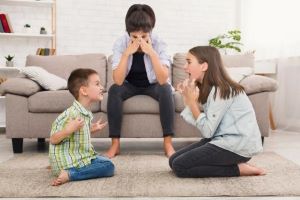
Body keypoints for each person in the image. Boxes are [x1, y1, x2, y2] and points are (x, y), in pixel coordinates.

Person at [169, 46, 266, 178]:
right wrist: (188, 99)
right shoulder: (211, 89)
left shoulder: (221, 90)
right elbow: (207, 127)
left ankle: (238, 169)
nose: (185, 67)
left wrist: (192, 103)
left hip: (237, 146)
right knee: (173, 160)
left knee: (180, 166)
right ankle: (229, 165)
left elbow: (207, 131)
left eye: (189, 62)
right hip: (221, 139)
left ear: (204, 66)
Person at [105, 4, 175, 158]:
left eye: (144, 37)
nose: (139, 41)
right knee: (114, 90)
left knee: (166, 89)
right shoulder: (120, 43)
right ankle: (115, 145)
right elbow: (117, 80)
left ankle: (168, 144)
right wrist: (126, 54)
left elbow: (163, 79)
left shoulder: (159, 43)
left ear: (150, 32)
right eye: (134, 37)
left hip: (153, 85)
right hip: (129, 85)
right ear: (128, 33)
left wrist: (152, 53)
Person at [49, 68, 115, 186]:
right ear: (84, 91)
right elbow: (53, 139)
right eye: (97, 84)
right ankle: (70, 174)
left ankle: (59, 165)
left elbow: (76, 133)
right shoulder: (71, 114)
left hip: (79, 156)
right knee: (108, 167)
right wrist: (68, 130)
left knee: (103, 159)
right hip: (73, 162)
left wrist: (91, 129)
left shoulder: (83, 112)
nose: (102, 88)